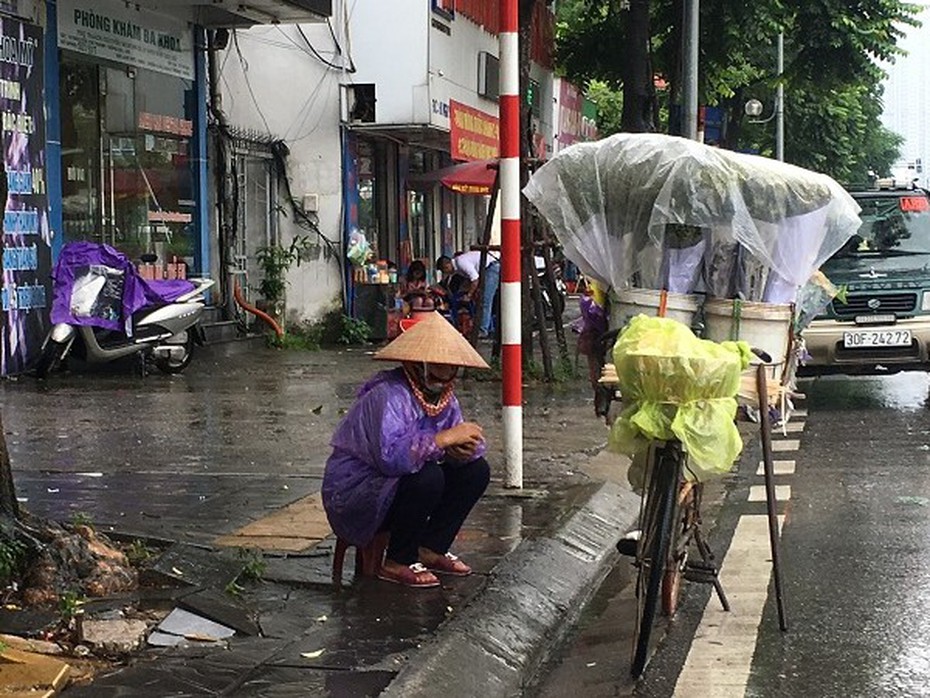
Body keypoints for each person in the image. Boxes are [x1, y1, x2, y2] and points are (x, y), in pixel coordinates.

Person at [322, 312, 492, 588]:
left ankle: (432, 548)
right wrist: (444, 439)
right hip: (357, 492)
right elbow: (392, 458)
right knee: (428, 478)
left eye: (450, 366)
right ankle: (398, 560)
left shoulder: (444, 398)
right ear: (417, 363)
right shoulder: (388, 394)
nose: (445, 373)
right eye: (438, 365)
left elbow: (460, 439)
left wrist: (463, 450)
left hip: (398, 487)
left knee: (476, 471)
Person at [436, 250, 500, 337]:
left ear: (447, 265)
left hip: (490, 268)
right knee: (482, 301)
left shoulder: (461, 263)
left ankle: (483, 330)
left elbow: (474, 279)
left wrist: (469, 295)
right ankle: (487, 328)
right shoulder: (458, 267)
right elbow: (469, 281)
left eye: (444, 271)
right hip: (486, 270)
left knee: (485, 300)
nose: (446, 273)